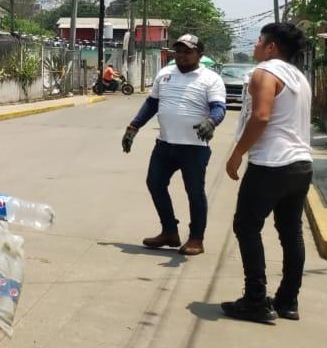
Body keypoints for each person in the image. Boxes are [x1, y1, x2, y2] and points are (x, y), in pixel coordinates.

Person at [220, 23, 313, 324]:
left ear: (271, 47)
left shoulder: (265, 73)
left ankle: (256, 300)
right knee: (291, 232)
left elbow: (261, 117)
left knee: (246, 226)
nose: (255, 45)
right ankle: (288, 301)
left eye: (259, 41)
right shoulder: (299, 77)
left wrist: (237, 153)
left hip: (271, 164)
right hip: (301, 165)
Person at [121, 34, 226, 256]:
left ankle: (196, 238)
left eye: (187, 51)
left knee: (194, 192)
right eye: (178, 51)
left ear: (199, 54)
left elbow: (219, 107)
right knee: (154, 184)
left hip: (194, 147)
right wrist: (133, 127)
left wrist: (211, 121)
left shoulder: (211, 79)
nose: (181, 55)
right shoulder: (165, 74)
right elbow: (152, 104)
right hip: (165, 144)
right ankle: (169, 231)